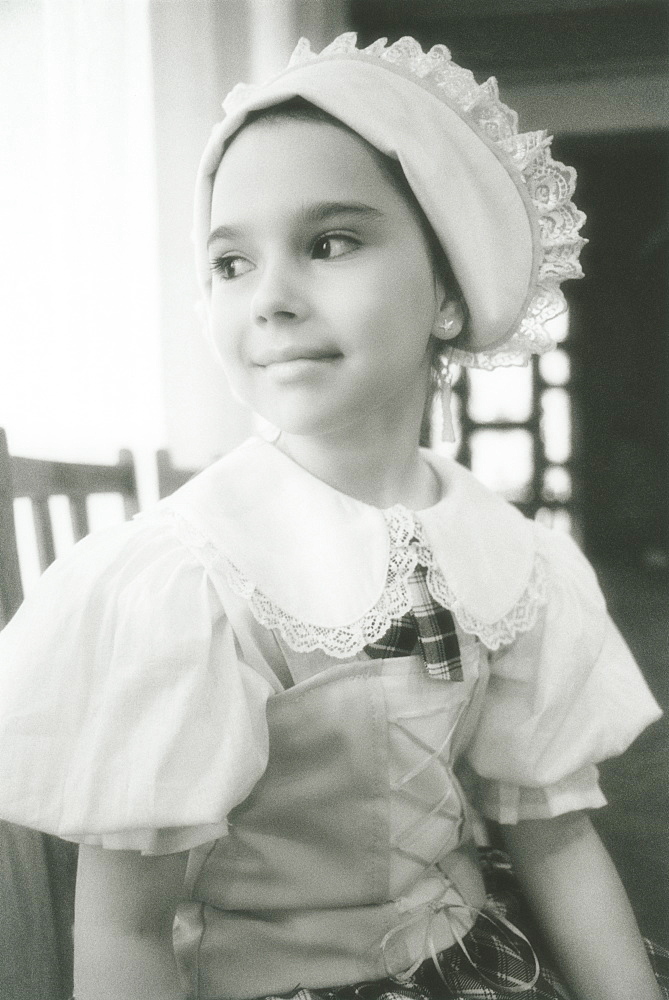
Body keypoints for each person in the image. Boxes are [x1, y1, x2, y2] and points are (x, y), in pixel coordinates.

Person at [0, 33, 666, 1000]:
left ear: (448, 290)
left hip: (469, 958)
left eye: (330, 243)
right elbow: (125, 928)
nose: (269, 297)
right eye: (230, 262)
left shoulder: (514, 564)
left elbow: (555, 837)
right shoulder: (184, 581)